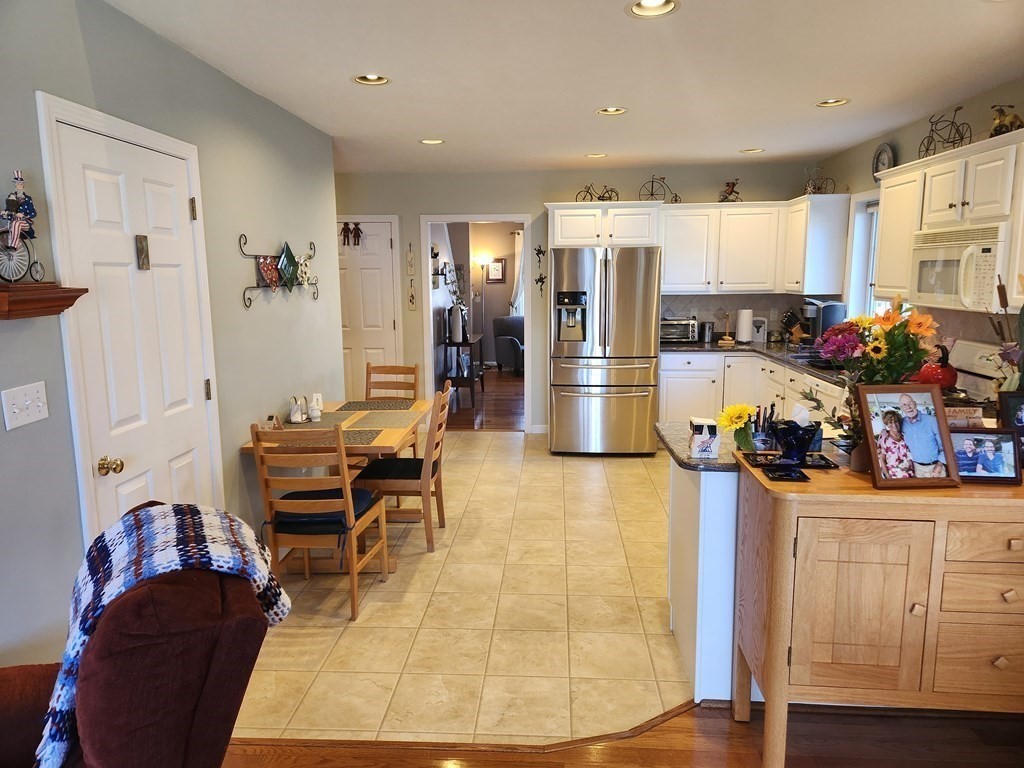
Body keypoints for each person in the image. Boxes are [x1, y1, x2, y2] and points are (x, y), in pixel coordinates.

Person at [898, 394, 947, 477]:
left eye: (910, 403)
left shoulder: (931, 421)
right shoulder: (902, 423)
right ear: (901, 408)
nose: (908, 407)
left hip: (936, 467)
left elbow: (944, 444)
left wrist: (939, 464)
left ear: (915, 404)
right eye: (904, 405)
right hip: (917, 469)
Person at [876, 410, 915, 479]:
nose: (894, 424)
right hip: (894, 476)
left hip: (910, 474)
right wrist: (887, 475)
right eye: (890, 422)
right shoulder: (884, 437)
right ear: (886, 424)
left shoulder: (904, 435)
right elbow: (882, 459)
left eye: (896, 421)